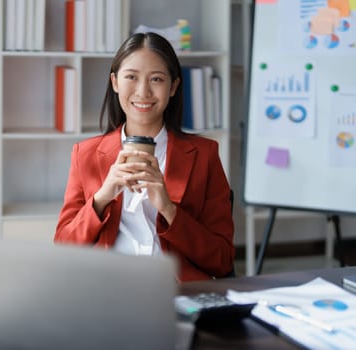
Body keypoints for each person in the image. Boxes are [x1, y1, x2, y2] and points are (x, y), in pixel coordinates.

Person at [54, 32, 234, 282]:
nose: (143, 91)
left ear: (173, 87)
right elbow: (63, 249)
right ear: (115, 82)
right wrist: (102, 197)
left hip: (176, 292)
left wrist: (169, 210)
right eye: (131, 77)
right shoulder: (85, 155)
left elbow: (222, 261)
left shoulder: (204, 155)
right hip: (107, 289)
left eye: (157, 79)